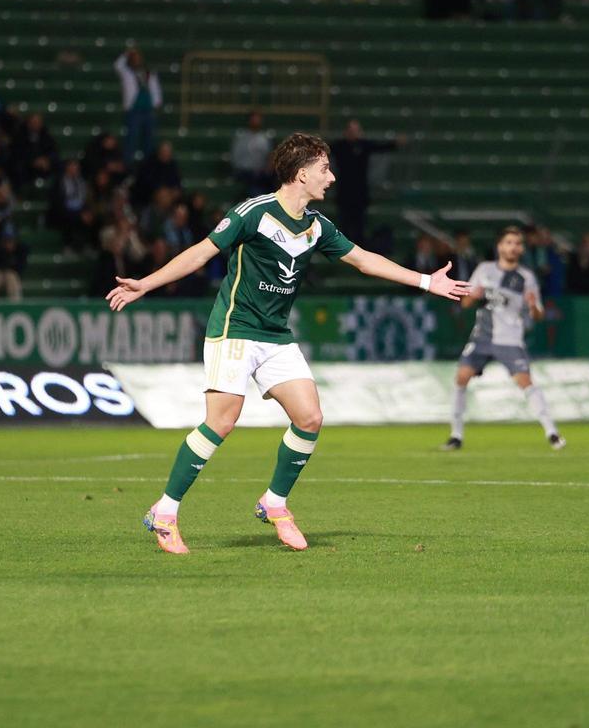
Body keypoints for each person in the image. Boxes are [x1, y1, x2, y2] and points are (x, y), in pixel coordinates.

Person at [106, 132, 470, 555]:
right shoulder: (254, 212)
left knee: (310, 416)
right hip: (235, 327)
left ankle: (274, 502)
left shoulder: (317, 226)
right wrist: (144, 285)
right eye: (324, 169)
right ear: (301, 174)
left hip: (275, 335)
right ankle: (164, 512)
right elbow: (201, 253)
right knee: (222, 421)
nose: (331, 178)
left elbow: (363, 259)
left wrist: (426, 281)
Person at [443, 226, 565, 453]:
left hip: (510, 339)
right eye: (509, 242)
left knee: (525, 382)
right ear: (500, 246)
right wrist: (473, 295)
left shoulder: (526, 277)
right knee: (461, 378)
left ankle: (552, 432)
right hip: (482, 337)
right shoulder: (484, 269)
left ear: (521, 249)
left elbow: (538, 315)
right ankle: (456, 435)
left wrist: (531, 305)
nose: (513, 247)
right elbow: (465, 303)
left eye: (517, 243)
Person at [329, 119, 401, 247]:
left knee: (360, 225)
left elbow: (380, 146)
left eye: (356, 130)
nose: (353, 133)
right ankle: (341, 249)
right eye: (351, 130)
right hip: (344, 193)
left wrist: (395, 143)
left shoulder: (364, 145)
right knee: (344, 223)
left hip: (360, 193)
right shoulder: (340, 146)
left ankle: (359, 249)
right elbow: (325, 149)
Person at [114, 47, 161, 164]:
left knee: (149, 141)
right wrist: (126, 53)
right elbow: (117, 65)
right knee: (131, 140)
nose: (137, 60)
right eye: (134, 58)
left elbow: (155, 88)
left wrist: (157, 102)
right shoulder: (126, 72)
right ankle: (127, 166)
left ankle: (148, 167)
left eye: (138, 58)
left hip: (148, 109)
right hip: (134, 110)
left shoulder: (149, 72)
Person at [230, 111, 274, 196]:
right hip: (244, 172)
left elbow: (270, 156)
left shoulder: (264, 138)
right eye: (254, 119)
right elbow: (235, 158)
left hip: (261, 173)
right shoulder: (241, 137)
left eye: (258, 119)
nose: (256, 122)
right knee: (254, 182)